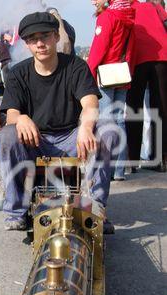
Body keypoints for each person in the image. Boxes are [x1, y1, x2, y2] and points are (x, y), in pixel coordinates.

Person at [0, 12, 119, 233]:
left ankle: (95, 207)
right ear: (26, 44)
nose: (40, 43)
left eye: (45, 36)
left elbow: (90, 104)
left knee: (108, 130)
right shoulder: (17, 74)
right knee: (6, 136)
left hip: (72, 137)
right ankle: (17, 211)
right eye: (33, 39)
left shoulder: (76, 67)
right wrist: (21, 118)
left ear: (55, 37)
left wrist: (86, 127)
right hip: (36, 141)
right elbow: (12, 113)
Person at [88, 0, 135, 181]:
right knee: (119, 121)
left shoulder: (107, 17)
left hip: (105, 73)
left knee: (105, 122)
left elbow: (99, 49)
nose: (93, 2)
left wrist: (90, 73)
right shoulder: (128, 15)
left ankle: (105, 168)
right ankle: (119, 170)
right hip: (122, 74)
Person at [126, 0, 167, 172]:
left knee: (134, 108)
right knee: (162, 109)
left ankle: (132, 161)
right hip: (163, 57)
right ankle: (161, 159)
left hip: (138, 58)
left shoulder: (125, 9)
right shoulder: (153, 6)